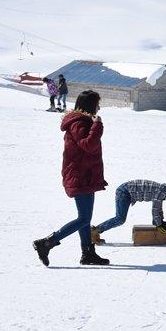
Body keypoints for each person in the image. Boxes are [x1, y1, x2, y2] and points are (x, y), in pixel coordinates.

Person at [33, 90, 109, 266]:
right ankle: (47, 243)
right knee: (83, 218)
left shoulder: (81, 121)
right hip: (80, 176)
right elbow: (88, 145)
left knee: (85, 217)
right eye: (97, 103)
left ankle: (88, 253)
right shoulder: (79, 123)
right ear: (90, 105)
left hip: (84, 175)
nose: (99, 107)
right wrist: (97, 126)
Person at [91, 178, 166, 244]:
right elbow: (155, 209)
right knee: (120, 219)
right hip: (124, 192)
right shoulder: (161, 191)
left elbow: (159, 208)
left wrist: (160, 221)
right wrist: (159, 224)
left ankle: (95, 231)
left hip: (125, 190)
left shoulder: (162, 191)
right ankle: (94, 231)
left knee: (120, 219)